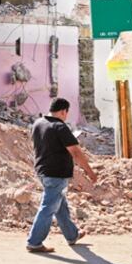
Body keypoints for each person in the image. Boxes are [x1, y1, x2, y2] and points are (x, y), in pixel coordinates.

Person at [26, 97, 98, 254]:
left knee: (60, 205)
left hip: (43, 170)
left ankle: (72, 235)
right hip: (56, 173)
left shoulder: (38, 123)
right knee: (48, 207)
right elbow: (76, 153)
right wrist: (90, 172)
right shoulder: (60, 127)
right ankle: (34, 242)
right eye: (66, 113)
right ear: (64, 111)